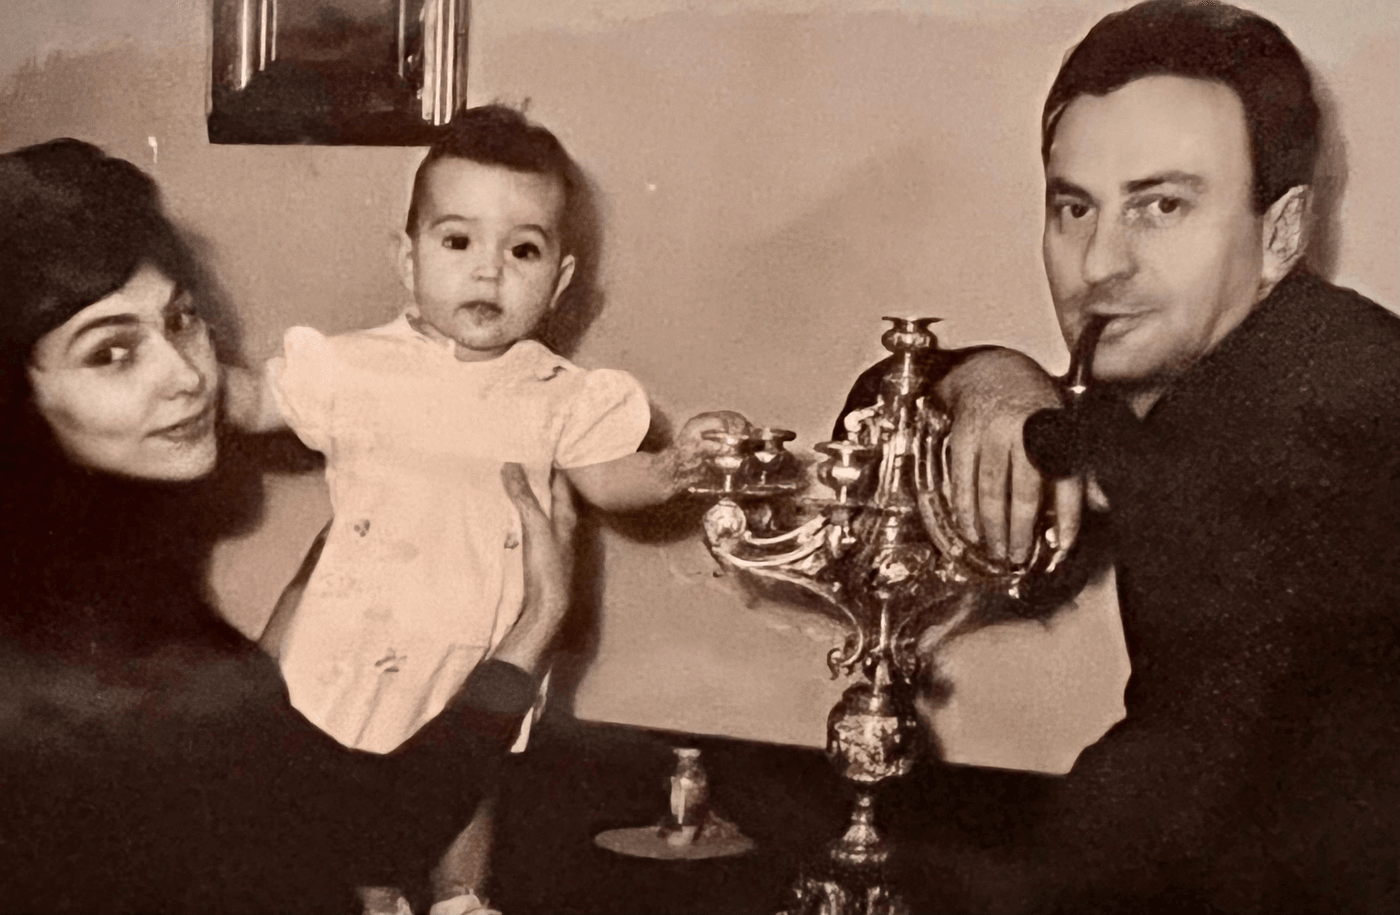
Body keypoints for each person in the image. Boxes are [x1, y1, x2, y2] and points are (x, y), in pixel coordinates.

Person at [847, 1, 1398, 911]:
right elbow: (872, 419)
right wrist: (991, 375)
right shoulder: (1198, 374)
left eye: (1162, 206)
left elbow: (1178, 794)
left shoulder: (1339, 402)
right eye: (1074, 207)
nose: (1099, 262)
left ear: (1281, 233)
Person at [0, 138, 578, 914]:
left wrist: (299, 610)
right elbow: (375, 824)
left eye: (180, 319)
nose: (187, 374)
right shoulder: (79, 640)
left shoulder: (88, 585)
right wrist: (534, 622)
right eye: (112, 353)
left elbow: (241, 754)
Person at [222, 104, 742, 911]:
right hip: (355, 631)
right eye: (458, 241)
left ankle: (462, 897)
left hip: (483, 643)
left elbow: (612, 480)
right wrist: (178, 369)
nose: (488, 272)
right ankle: (370, 895)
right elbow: (255, 400)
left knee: (472, 779)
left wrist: (680, 466)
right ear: (407, 259)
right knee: (346, 782)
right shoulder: (355, 367)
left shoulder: (556, 392)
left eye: (522, 249)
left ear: (559, 280)